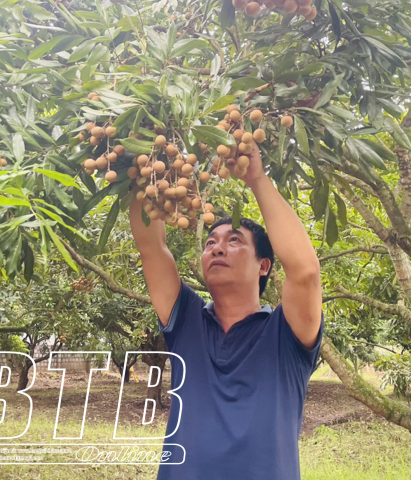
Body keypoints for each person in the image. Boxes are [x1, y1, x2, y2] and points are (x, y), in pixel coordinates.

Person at [129, 142, 323, 480]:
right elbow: (152, 247)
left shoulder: (287, 335)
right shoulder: (186, 321)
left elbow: (305, 272)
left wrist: (257, 178)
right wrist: (140, 163)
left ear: (264, 265)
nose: (217, 248)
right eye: (210, 243)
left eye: (234, 240)